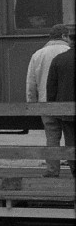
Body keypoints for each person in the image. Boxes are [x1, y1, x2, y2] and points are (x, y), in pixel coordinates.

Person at [26, 24, 72, 175]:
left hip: (46, 103)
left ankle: (52, 169)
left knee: (52, 137)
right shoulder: (69, 52)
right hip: (67, 103)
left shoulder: (37, 54)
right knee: (71, 136)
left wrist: (31, 105)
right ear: (65, 36)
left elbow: (31, 83)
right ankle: (73, 169)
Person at [43, 42, 74, 176]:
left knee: (70, 140)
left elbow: (51, 87)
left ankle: (74, 170)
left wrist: (52, 107)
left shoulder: (59, 59)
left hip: (66, 110)